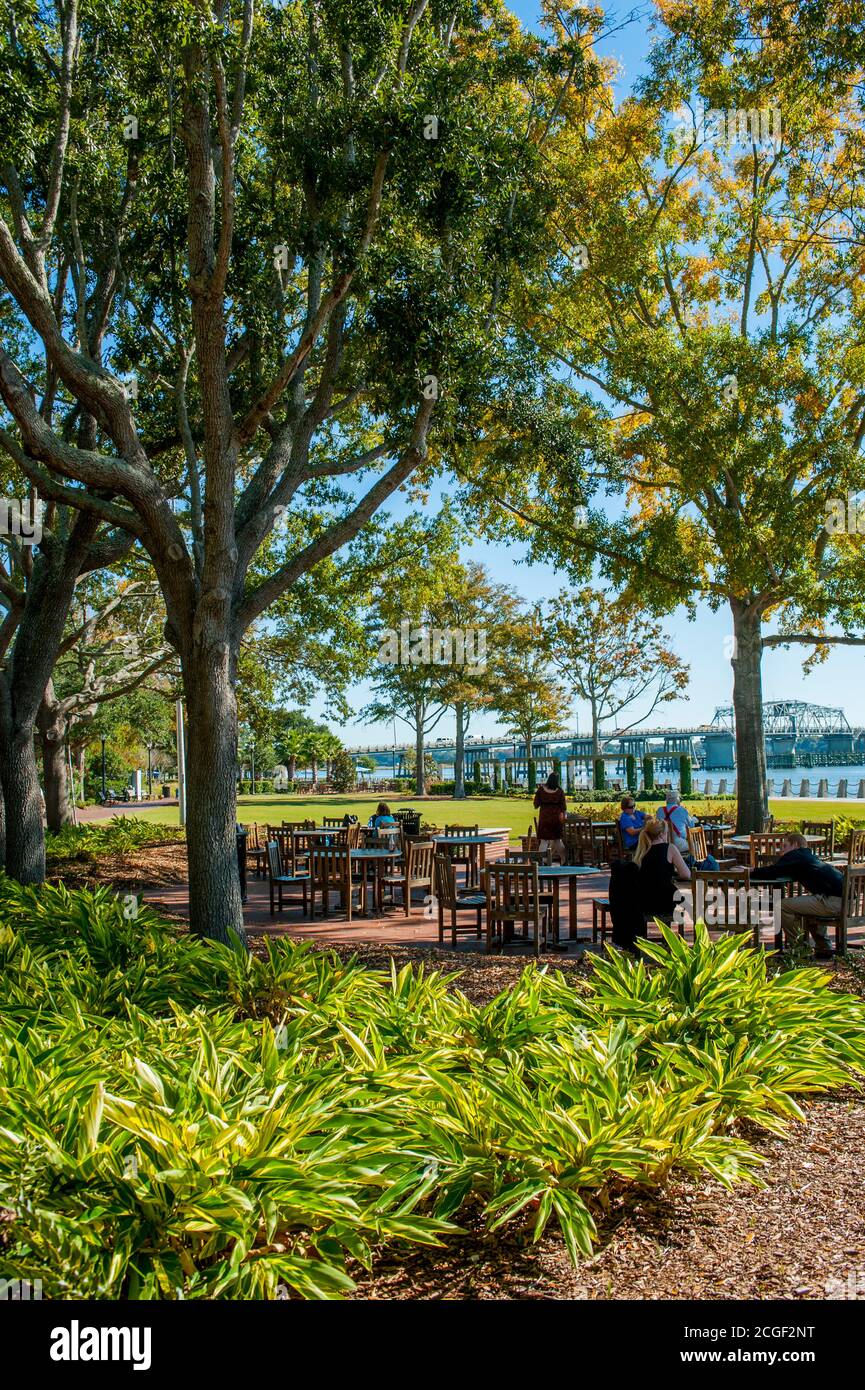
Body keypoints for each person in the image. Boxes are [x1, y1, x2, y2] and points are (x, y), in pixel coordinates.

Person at [750, 832, 842, 959]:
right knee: (804, 907)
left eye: (785, 846)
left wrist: (751, 871)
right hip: (844, 902)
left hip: (831, 902)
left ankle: (799, 949)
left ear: (795, 845)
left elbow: (773, 871)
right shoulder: (808, 857)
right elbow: (782, 870)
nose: (782, 850)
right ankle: (824, 948)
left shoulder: (795, 855)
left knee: (781, 905)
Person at [633, 817, 690, 927]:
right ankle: (667, 939)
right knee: (680, 899)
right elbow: (686, 874)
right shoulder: (670, 848)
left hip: (643, 901)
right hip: (663, 902)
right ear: (661, 834)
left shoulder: (642, 850)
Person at [534, 772, 567, 862]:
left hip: (544, 818)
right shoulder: (560, 791)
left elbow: (536, 804)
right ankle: (564, 860)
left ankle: (541, 862)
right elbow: (564, 807)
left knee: (544, 841)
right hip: (556, 818)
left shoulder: (541, 790)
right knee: (557, 840)